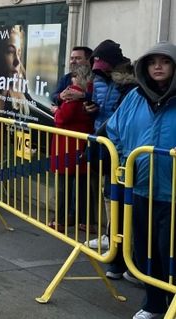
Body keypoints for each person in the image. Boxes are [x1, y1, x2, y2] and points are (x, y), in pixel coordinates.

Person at [105, 42, 176, 319]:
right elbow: (115, 131)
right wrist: (124, 162)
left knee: (169, 252)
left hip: (172, 194)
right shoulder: (134, 97)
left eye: (165, 61)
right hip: (140, 189)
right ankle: (154, 305)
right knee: (147, 252)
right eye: (152, 62)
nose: (158, 67)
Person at [84, 39, 137, 280]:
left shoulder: (129, 84)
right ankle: (111, 238)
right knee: (109, 193)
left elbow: (122, 115)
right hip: (103, 141)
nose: (98, 66)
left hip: (122, 146)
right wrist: (90, 108)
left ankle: (127, 253)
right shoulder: (97, 79)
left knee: (124, 197)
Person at [49, 63, 94, 232]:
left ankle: (59, 221)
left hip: (67, 146)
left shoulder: (74, 92)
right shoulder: (91, 94)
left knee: (63, 187)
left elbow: (62, 118)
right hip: (82, 144)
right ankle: (86, 221)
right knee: (83, 186)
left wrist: (55, 110)